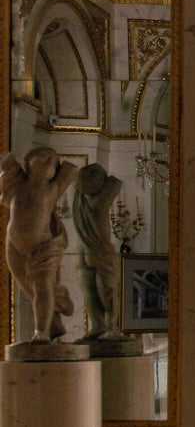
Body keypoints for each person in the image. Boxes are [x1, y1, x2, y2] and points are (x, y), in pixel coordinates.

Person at [0, 146, 77, 342]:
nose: (50, 162)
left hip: (44, 248)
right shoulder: (17, 186)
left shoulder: (52, 188)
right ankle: (56, 312)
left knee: (42, 287)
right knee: (31, 290)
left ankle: (41, 332)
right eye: (43, 156)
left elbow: (69, 170)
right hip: (14, 247)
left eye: (54, 160)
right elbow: (6, 163)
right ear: (28, 163)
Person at [72, 162, 123, 339]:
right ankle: (99, 326)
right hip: (83, 253)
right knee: (89, 293)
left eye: (96, 179)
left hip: (102, 253)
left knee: (107, 292)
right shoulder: (79, 196)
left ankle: (112, 328)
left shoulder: (103, 197)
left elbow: (115, 182)